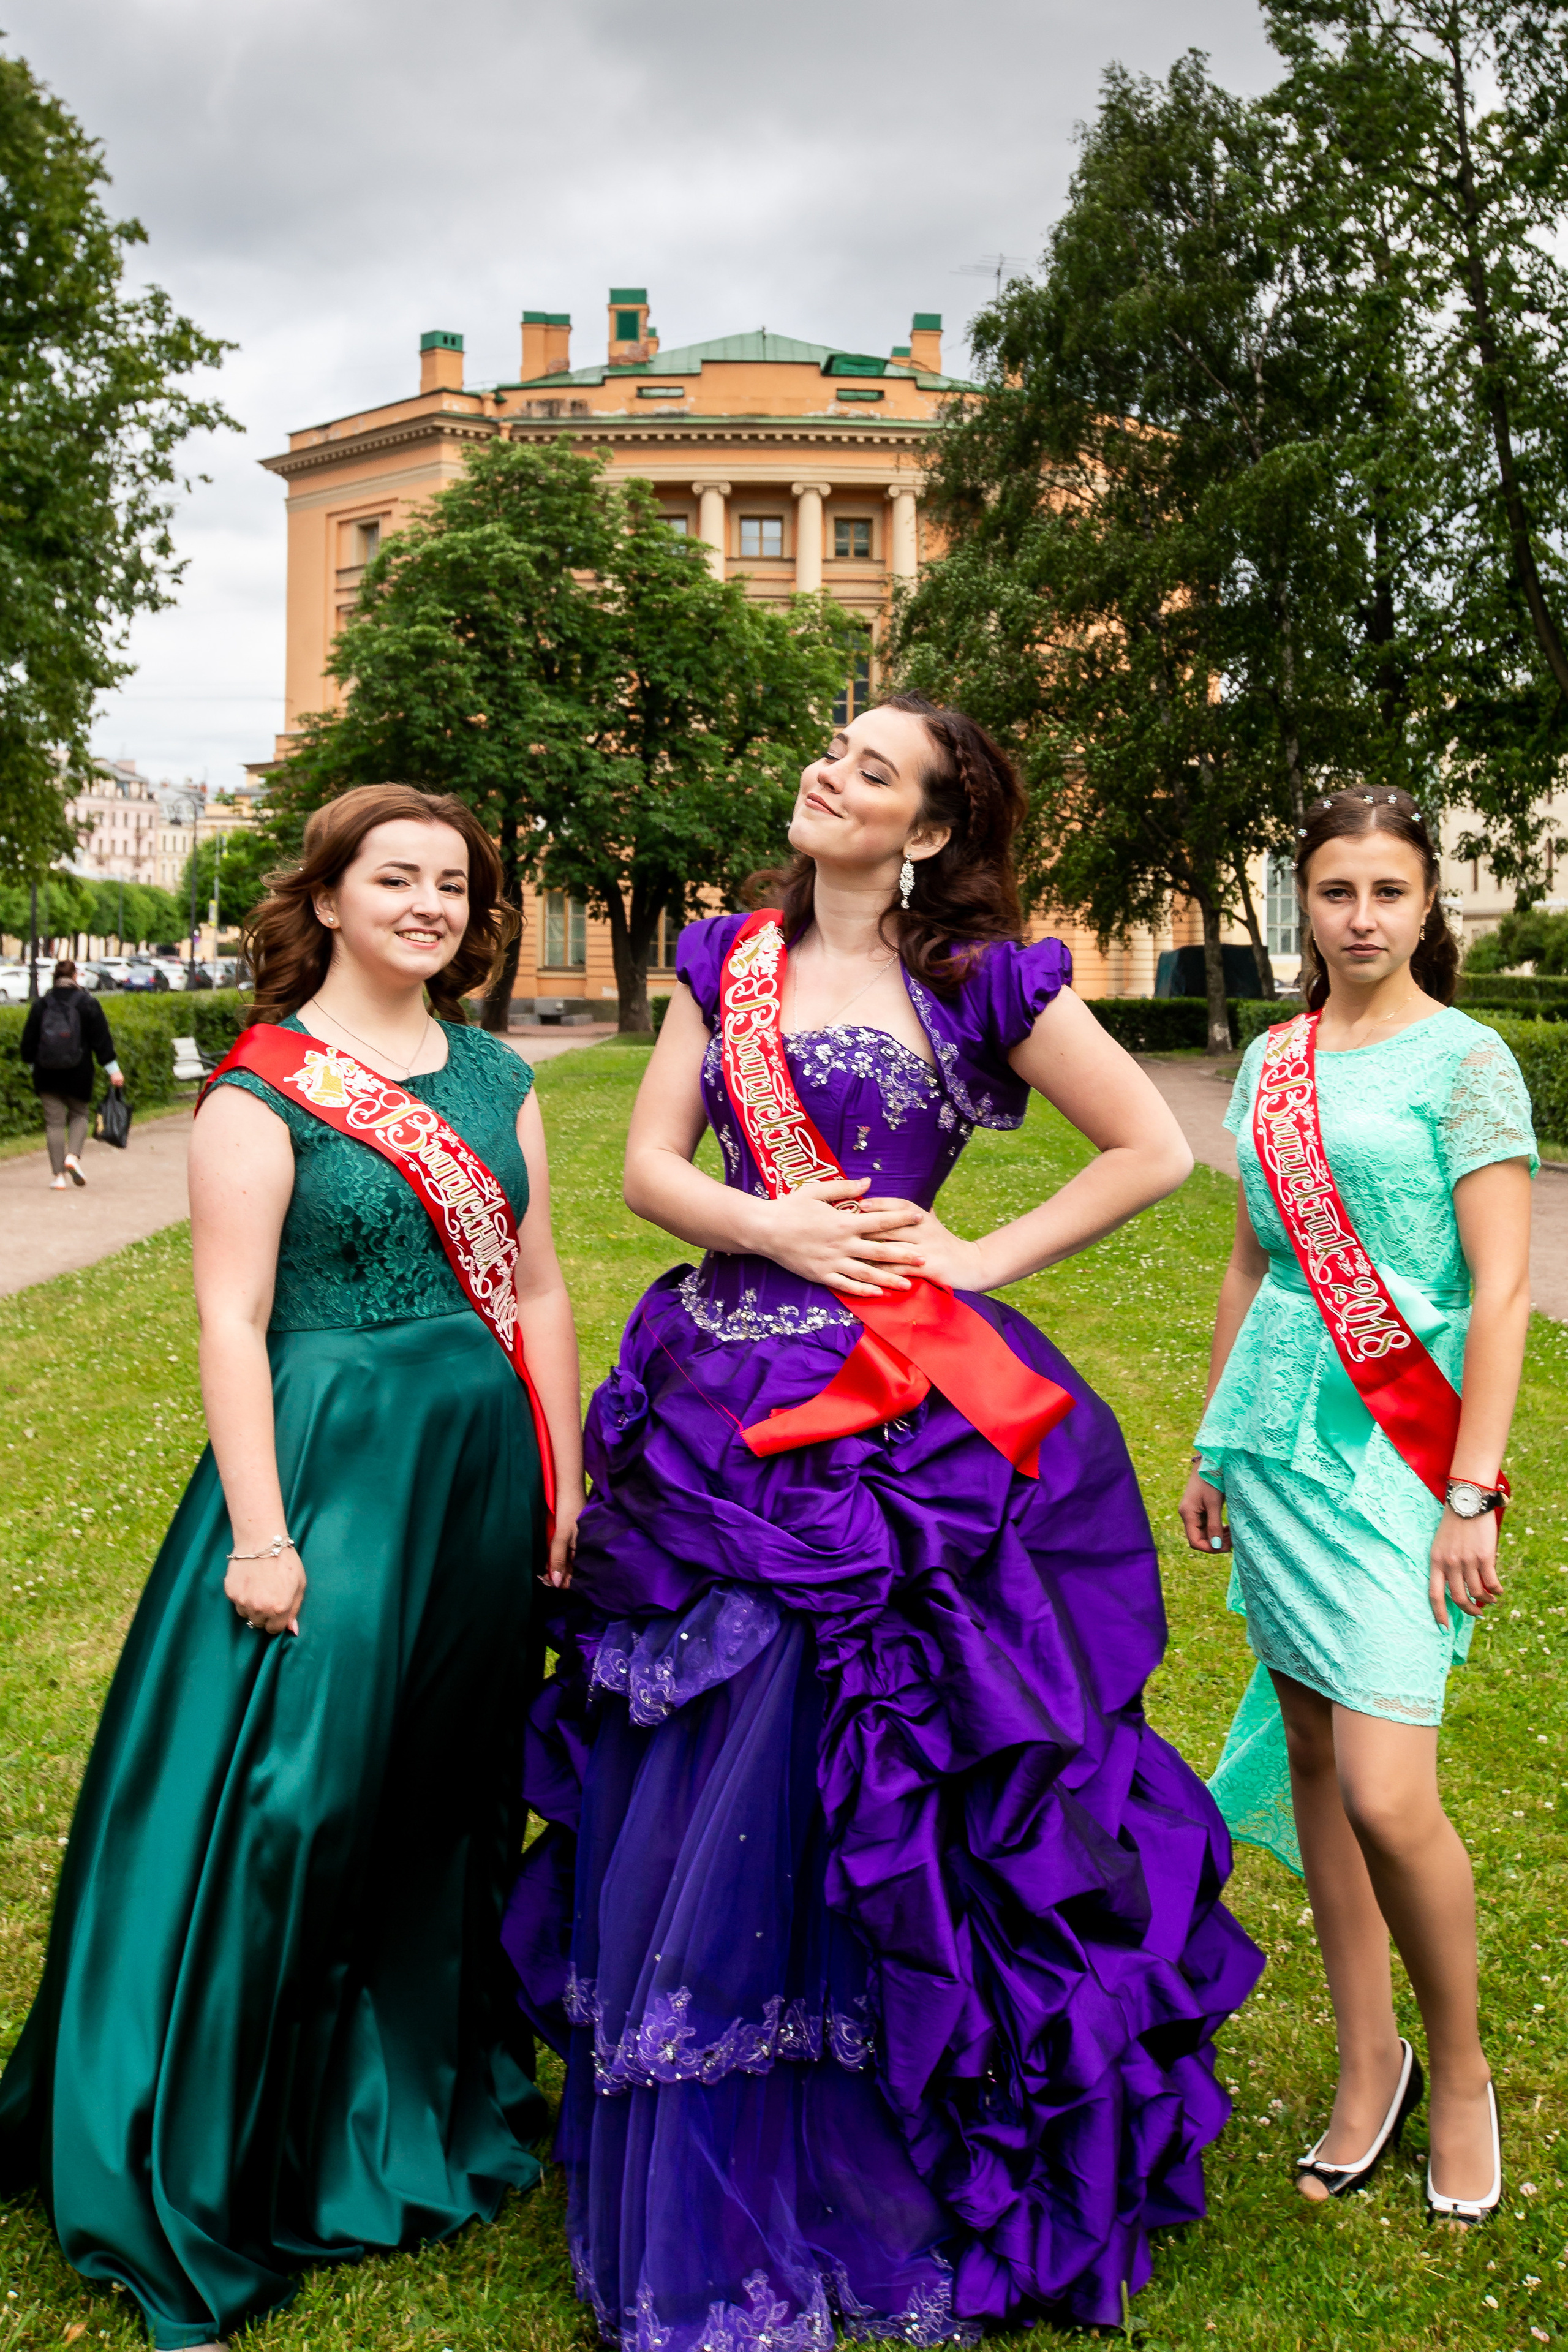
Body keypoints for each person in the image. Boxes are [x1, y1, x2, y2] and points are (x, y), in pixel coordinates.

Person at [505, 695, 1264, 2345]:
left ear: (925, 829)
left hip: (894, 1407)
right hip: (718, 1388)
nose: (826, 773)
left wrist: (975, 1259)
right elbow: (647, 1170)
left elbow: (1150, 1148)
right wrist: (773, 1226)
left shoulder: (981, 980)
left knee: (881, 1756)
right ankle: (720, 2110)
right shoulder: (724, 957)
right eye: (830, 750)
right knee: (705, 1748)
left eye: (869, 769)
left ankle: (875, 2134)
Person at [0, 785, 586, 2349]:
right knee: (296, 1796)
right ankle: (223, 2136)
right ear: (326, 897)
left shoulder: (495, 1075)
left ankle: (409, 2098)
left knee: (446, 1786)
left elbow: (536, 1287)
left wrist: (562, 1475)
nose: (428, 903)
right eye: (394, 877)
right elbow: (230, 1321)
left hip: (477, 1467)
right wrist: (261, 1535)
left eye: (451, 881)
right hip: (331, 1467)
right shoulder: (260, 1091)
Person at [1180, 788, 1534, 2230]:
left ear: (1423, 903)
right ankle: (1367, 2057)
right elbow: (1249, 1262)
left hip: (1399, 1450)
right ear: (1302, 903)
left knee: (1390, 1791)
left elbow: (1500, 1289)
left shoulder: (1466, 1062)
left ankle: (1459, 2074)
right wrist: (1211, 1444)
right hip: (1275, 1442)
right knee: (1319, 1759)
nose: (1360, 917)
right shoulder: (1272, 1060)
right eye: (1334, 891)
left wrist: (1470, 1489)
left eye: (1387, 891)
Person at [19, 957, 124, 1188]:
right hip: (79, 1072)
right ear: (75, 977)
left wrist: (33, 1066)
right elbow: (101, 1040)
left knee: (54, 1124)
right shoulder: (87, 1003)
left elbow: (28, 1042)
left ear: (54, 978)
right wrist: (113, 1070)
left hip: (46, 1073)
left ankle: (59, 1177)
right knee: (80, 1115)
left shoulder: (42, 1005)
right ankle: (73, 1157)